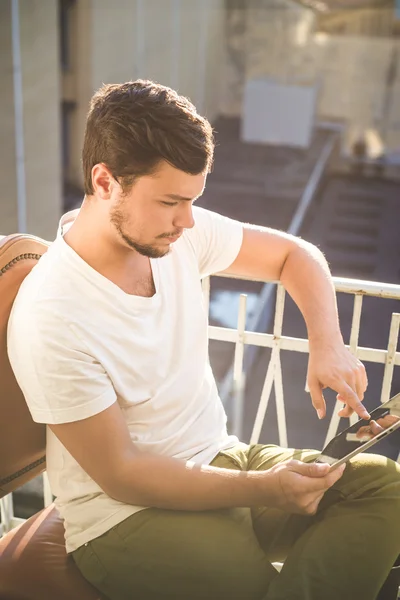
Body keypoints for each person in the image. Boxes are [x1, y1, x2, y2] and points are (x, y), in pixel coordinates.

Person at [7, 80, 400, 600]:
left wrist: (327, 343)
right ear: (105, 182)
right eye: (171, 201)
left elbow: (293, 255)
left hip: (219, 457)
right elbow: (124, 476)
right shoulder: (52, 313)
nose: (187, 220)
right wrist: (268, 489)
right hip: (125, 517)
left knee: (382, 487)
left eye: (192, 199)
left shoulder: (174, 233)